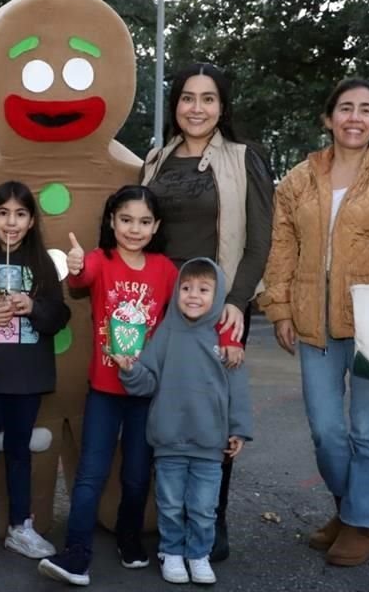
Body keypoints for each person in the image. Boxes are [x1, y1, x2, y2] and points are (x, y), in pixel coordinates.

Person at [259, 77, 369, 567]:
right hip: (313, 321)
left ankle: (360, 524)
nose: (354, 118)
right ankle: (346, 507)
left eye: (366, 110)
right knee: (326, 430)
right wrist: (280, 308)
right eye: (345, 108)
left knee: (367, 430)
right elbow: (281, 248)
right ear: (328, 117)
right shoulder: (297, 179)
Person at [141, 62, 274, 561]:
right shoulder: (155, 160)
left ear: (222, 107)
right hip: (159, 302)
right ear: (175, 105)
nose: (196, 108)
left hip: (218, 305)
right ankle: (167, 517)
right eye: (187, 98)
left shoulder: (245, 158)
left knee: (212, 414)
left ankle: (211, 521)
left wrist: (236, 302)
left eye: (208, 99)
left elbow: (260, 241)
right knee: (162, 407)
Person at [37, 186, 178, 586]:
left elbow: (187, 312)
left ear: (157, 226)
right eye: (126, 220)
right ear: (112, 222)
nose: (135, 229)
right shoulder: (102, 260)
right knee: (90, 474)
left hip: (145, 393)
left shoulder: (165, 270)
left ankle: (129, 536)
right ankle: (76, 555)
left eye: (144, 222)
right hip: (103, 391)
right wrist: (77, 264)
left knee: (136, 474)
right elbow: (82, 279)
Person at [113, 258, 252, 585]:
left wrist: (239, 429)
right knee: (171, 503)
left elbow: (238, 390)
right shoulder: (166, 332)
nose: (193, 295)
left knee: (204, 507)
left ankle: (198, 554)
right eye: (186, 288)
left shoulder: (226, 339)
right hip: (168, 440)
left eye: (204, 290)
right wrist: (129, 370)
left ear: (217, 297)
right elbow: (147, 383)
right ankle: (172, 552)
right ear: (176, 291)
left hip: (209, 442)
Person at [0, 181, 71, 566]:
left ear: (31, 220)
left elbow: (59, 317)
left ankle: (21, 527)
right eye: (3, 213)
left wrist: (34, 306)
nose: (12, 222)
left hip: (27, 376)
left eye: (20, 214)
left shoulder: (42, 263)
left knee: (20, 452)